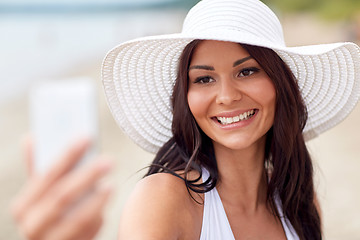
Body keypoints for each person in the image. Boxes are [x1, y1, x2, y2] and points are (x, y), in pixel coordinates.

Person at [12, 0, 360, 239]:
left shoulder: (298, 200)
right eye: (204, 79)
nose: (226, 96)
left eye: (248, 71)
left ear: (280, 85)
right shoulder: (165, 198)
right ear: (186, 97)